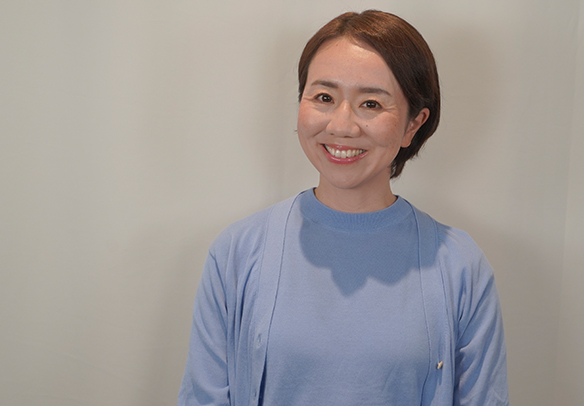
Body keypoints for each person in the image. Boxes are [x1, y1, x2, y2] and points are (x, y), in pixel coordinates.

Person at [178, 10, 508, 406]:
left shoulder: (460, 266)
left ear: (413, 124)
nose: (341, 126)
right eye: (324, 97)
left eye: (370, 103)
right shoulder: (237, 251)